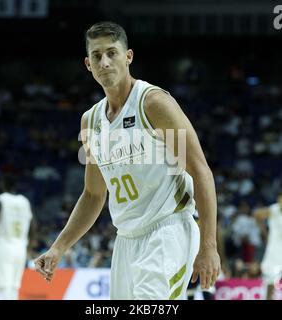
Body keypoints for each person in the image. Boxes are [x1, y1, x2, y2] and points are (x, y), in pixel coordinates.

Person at [34, 21, 220, 300]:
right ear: (88, 64)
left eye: (112, 53)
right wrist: (58, 247)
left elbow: (201, 171)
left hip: (167, 231)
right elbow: (93, 194)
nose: (104, 61)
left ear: (128, 56)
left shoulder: (154, 104)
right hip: (126, 241)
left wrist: (209, 245)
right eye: (96, 55)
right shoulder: (90, 121)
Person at [0, 175, 35, 300]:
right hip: (20, 248)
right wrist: (29, 247)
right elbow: (33, 227)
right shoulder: (25, 201)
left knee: (0, 286)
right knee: (14, 287)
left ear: (2, 185)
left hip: (4, 246)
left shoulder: (1, 200)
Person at [254, 190, 282, 300]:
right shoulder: (273, 209)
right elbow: (256, 214)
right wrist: (264, 232)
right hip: (274, 251)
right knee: (270, 283)